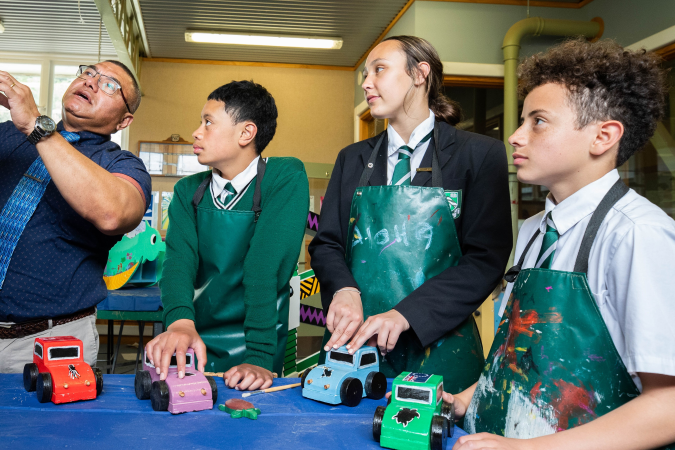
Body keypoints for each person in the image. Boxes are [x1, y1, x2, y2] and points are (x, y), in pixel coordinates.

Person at [446, 39, 675, 450]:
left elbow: (669, 405)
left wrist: (523, 449)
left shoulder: (637, 236)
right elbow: (521, 352)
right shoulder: (536, 228)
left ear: (603, 136)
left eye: (538, 121)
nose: (515, 137)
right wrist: (467, 399)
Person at [308, 35, 512, 394]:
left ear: (420, 74)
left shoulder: (479, 155)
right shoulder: (351, 158)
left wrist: (406, 315)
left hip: (442, 348)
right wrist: (343, 289)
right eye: (364, 76)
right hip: (355, 344)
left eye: (379, 70)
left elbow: (485, 259)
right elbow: (327, 243)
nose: (367, 84)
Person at [145, 81, 309, 392]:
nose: (196, 132)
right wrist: (179, 323)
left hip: (259, 336)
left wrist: (260, 358)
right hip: (195, 333)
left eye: (208, 122)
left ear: (246, 133)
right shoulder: (187, 191)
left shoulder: (284, 177)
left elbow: (264, 266)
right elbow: (179, 264)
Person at [0, 61, 150, 372]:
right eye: (88, 73)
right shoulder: (8, 135)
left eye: (110, 85)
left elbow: (113, 213)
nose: (92, 82)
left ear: (124, 121)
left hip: (51, 342)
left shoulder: (121, 164)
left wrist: (37, 128)